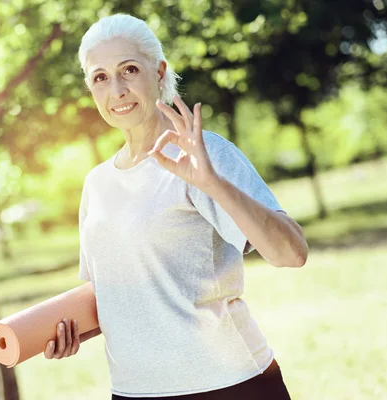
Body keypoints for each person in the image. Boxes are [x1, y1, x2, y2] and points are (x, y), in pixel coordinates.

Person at [43, 14, 308, 400]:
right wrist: (58, 332)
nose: (116, 89)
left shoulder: (204, 153)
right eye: (100, 77)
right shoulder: (97, 185)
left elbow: (292, 253)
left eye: (129, 69)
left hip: (229, 384)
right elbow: (114, 294)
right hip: (135, 391)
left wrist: (211, 183)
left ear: (159, 72)